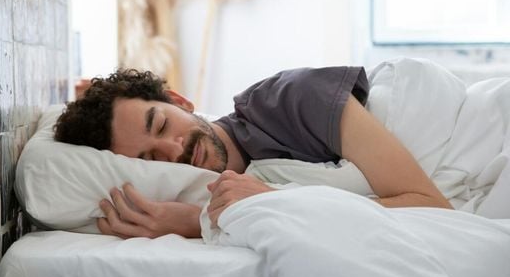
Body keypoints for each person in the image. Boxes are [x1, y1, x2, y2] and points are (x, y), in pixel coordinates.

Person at [54, 68, 452, 239]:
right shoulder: (229, 182)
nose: (175, 150)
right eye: (151, 160)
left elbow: (431, 206)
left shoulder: (290, 99)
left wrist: (210, 221)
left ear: (181, 101)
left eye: (160, 125)